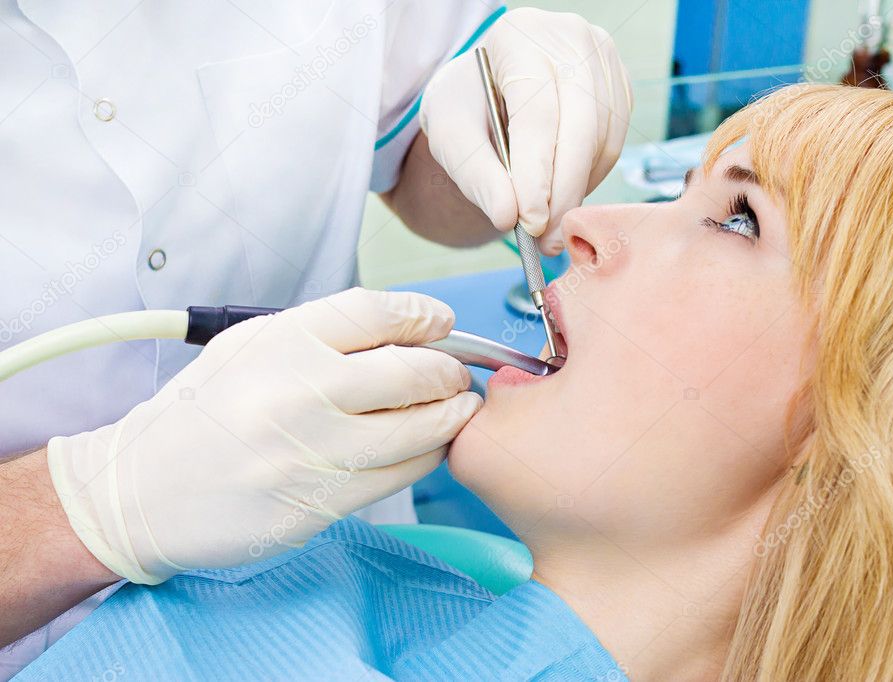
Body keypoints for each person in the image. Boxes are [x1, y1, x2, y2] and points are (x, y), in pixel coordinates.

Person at [17, 83, 893, 680]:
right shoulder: (283, 593)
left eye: (738, 217)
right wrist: (85, 509)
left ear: (880, 424)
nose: (587, 224)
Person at [0, 1, 633, 675]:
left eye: (736, 220)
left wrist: (503, 122)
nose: (601, 230)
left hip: (347, 559)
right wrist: (86, 509)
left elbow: (429, 169)